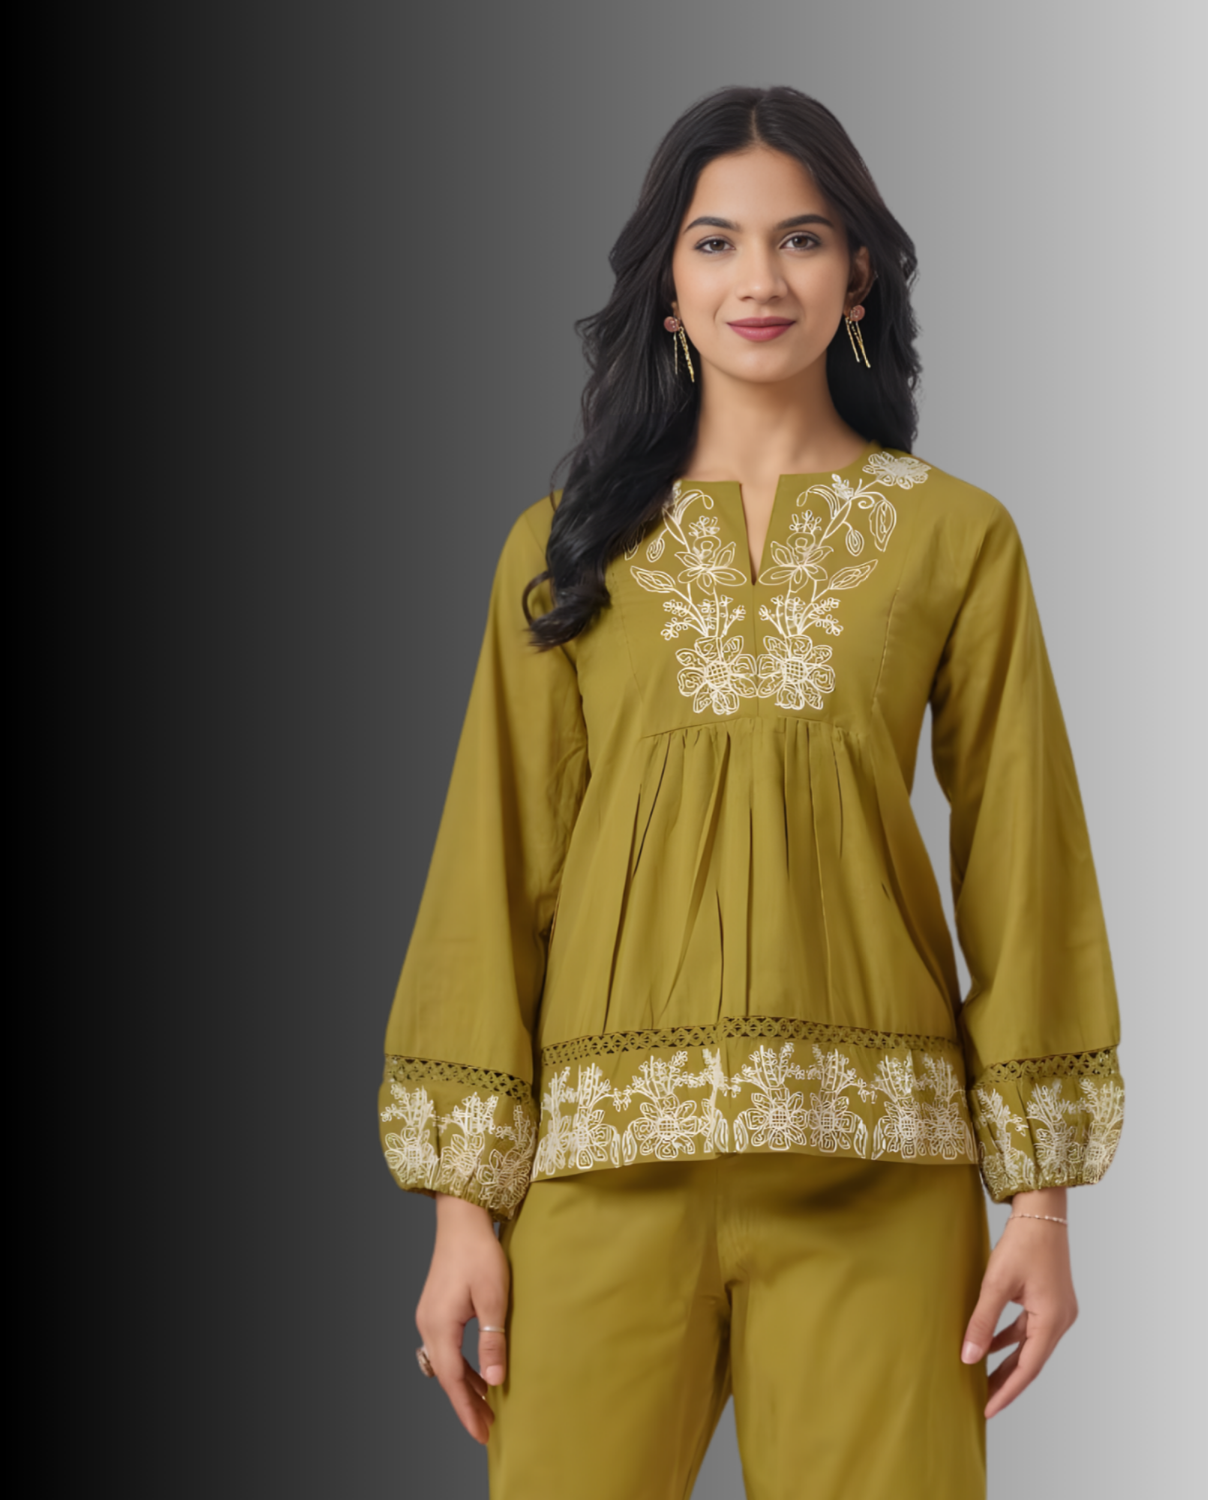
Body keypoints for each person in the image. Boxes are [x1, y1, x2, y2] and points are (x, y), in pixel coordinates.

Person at [378, 84, 1124, 1499]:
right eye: (716, 242)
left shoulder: (959, 538)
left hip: (881, 1181)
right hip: (598, 1177)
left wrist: (1042, 1206)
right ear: (668, 283)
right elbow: (493, 867)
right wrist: (461, 1213)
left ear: (859, 274)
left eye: (803, 239)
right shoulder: (564, 548)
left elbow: (1024, 867)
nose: (760, 280)